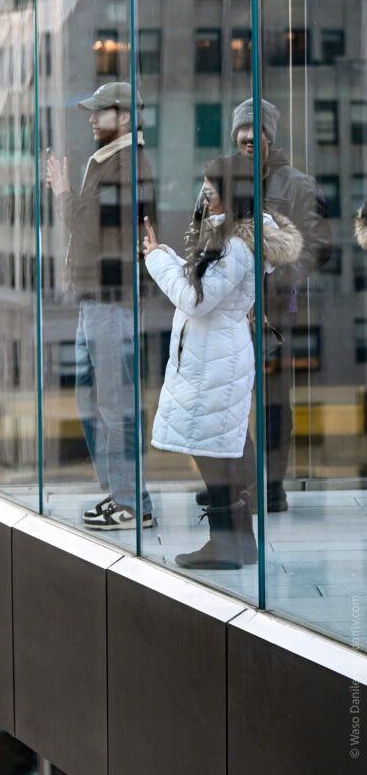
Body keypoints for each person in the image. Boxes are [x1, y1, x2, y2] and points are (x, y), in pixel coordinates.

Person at [143, 155, 302, 569]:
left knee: (214, 453)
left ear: (231, 194)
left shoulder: (237, 244)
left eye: (211, 188)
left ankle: (227, 545)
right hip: (211, 355)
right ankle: (235, 543)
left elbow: (195, 299)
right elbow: (204, 284)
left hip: (215, 358)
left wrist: (156, 261)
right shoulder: (231, 236)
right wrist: (166, 254)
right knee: (214, 451)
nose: (205, 195)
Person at [46, 81, 157, 531]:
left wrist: (62, 192)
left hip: (110, 301)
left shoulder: (126, 164)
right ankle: (122, 495)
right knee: (92, 399)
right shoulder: (112, 161)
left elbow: (87, 228)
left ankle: (132, 502)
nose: (91, 118)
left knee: (113, 402)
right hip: (96, 299)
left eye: (99, 112)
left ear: (125, 118)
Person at [227, 98, 332, 511]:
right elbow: (201, 233)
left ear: (272, 135)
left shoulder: (299, 184)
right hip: (230, 311)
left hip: (275, 315)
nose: (249, 137)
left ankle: (270, 489)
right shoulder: (224, 179)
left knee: (272, 404)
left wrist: (278, 275)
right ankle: (243, 482)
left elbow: (320, 247)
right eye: (242, 130)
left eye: (258, 130)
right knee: (230, 398)